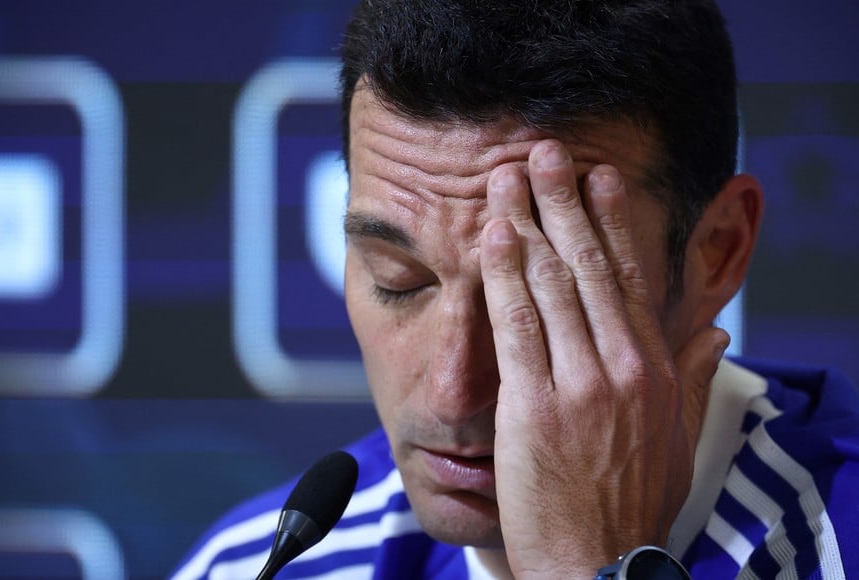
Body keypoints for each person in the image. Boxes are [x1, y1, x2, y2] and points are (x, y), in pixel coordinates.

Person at [171, 0, 859, 577]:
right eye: (399, 283)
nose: (453, 393)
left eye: (540, 289)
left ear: (719, 251)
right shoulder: (265, 563)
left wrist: (589, 561)